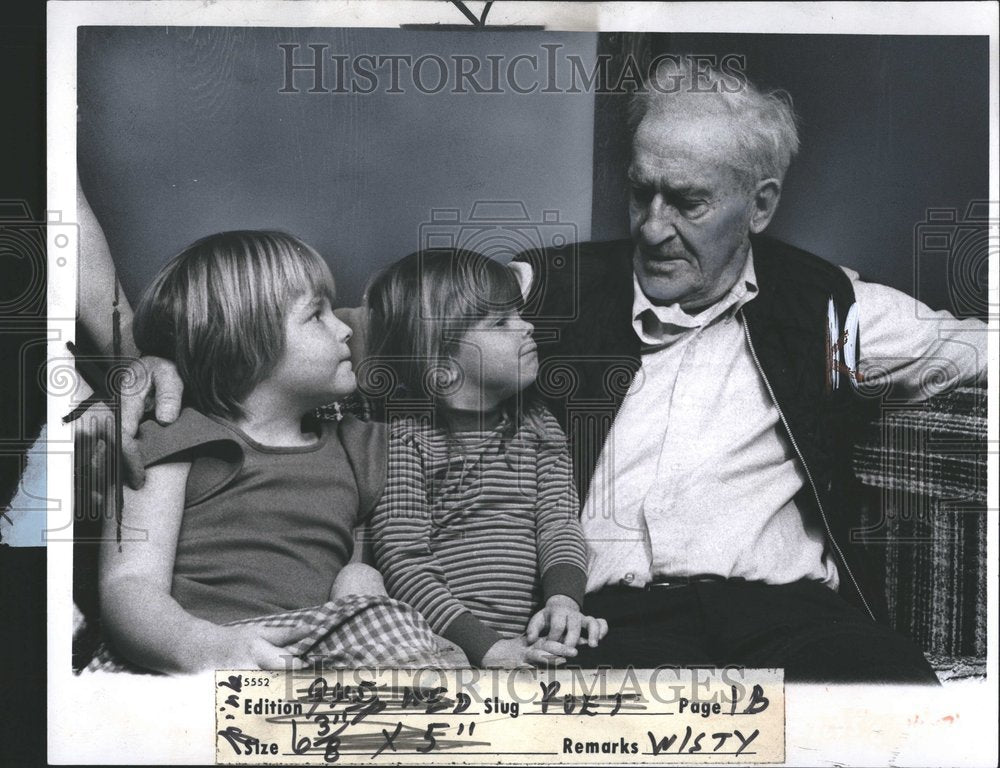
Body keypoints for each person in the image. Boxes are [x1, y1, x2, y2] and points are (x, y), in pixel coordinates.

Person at [504, 59, 987, 682]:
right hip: (611, 623)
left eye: (687, 202)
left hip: (790, 618)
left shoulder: (825, 312)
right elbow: (416, 312)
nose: (652, 228)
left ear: (759, 206)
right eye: (639, 191)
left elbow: (971, 347)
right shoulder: (556, 293)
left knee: (896, 696)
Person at [97, 230, 450, 674]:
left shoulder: (360, 443)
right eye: (316, 316)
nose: (345, 327)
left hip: (319, 646)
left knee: (408, 639)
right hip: (202, 645)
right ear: (245, 346)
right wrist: (206, 648)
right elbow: (129, 585)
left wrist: (362, 590)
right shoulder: (173, 438)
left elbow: (368, 556)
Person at [363, 250, 607, 668]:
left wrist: (564, 601)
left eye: (519, 312)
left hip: (530, 641)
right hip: (444, 644)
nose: (527, 326)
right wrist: (488, 648)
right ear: (442, 364)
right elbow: (404, 563)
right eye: (500, 322)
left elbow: (559, 522)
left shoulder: (538, 426)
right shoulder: (403, 442)